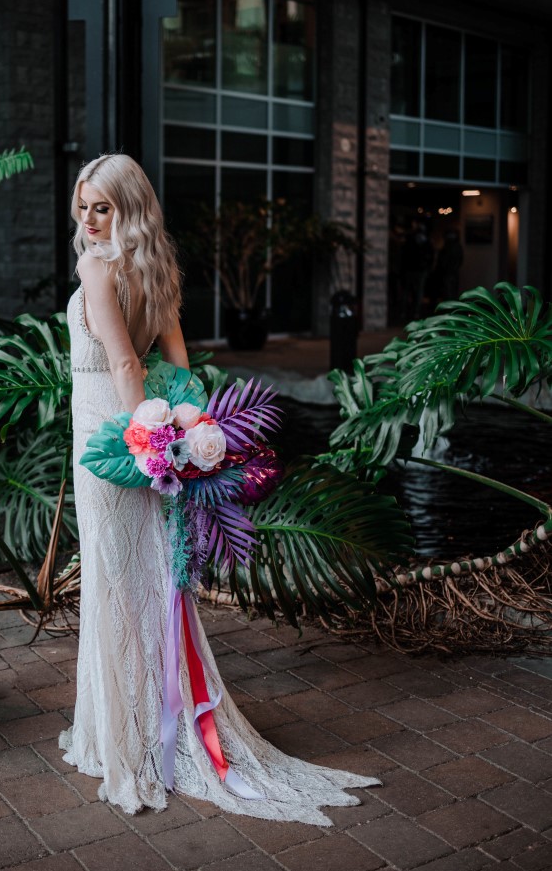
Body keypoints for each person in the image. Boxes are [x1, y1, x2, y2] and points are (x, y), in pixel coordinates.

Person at [59, 152, 380, 823]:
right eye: (83, 205)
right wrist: (181, 438)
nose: (88, 221)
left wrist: (144, 441)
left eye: (102, 207)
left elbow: (124, 361)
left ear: (128, 207)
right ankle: (139, 725)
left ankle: (133, 741)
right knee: (144, 583)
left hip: (111, 442)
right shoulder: (154, 267)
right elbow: (179, 370)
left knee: (119, 586)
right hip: (144, 442)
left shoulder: (96, 267)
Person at [401, 217, 434, 320]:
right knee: (413, 292)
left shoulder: (413, 239)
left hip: (415, 268)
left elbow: (404, 254)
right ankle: (412, 312)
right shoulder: (420, 240)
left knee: (411, 292)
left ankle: (409, 312)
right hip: (415, 268)